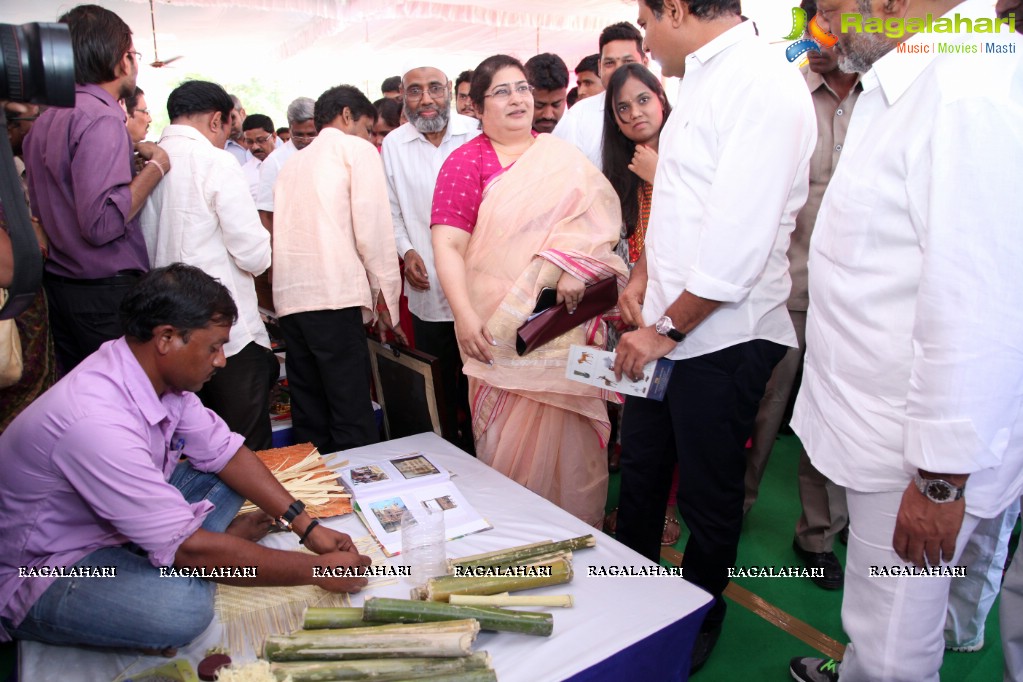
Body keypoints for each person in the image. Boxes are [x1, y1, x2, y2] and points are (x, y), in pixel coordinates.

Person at [786, 0, 1023, 679]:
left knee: (892, 643)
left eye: (831, 6)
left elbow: (977, 306)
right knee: (885, 628)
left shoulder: (966, 91)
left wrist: (940, 483)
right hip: (896, 440)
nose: (824, 24)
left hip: (918, 460)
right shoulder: (915, 81)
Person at [0, 263, 372, 652]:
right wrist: (316, 570)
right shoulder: (96, 421)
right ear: (166, 338)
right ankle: (199, 556)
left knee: (228, 474)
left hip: (114, 528)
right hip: (47, 565)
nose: (221, 360)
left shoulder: (155, 378)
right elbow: (190, 549)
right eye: (213, 346)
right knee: (182, 610)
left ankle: (195, 553)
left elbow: (227, 454)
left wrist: (307, 529)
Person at [612, 0, 815, 672]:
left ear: (674, 8)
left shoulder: (761, 80)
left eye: (644, 18)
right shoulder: (696, 77)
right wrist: (642, 277)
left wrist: (664, 330)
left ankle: (698, 611)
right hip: (664, 330)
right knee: (640, 475)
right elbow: (681, 208)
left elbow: (739, 241)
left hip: (720, 339)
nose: (643, 35)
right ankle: (636, 599)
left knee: (706, 493)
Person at [431, 55, 628, 527]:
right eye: (501, 91)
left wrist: (575, 266)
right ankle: (517, 541)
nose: (517, 98)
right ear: (477, 108)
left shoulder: (562, 159)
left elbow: (600, 225)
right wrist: (465, 316)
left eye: (521, 88)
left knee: (574, 449)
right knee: (507, 448)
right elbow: (448, 245)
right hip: (496, 333)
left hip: (562, 332)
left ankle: (579, 536)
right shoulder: (465, 162)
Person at [743, 0, 859, 592]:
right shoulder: (787, 93)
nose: (825, 33)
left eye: (836, 20)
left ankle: (818, 536)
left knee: (830, 417)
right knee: (762, 407)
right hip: (783, 286)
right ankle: (732, 507)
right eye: (817, 21)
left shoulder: (885, 99)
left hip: (855, 298)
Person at [24, 4, 170, 374]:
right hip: (102, 293)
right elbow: (101, 224)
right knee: (120, 400)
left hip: (61, 287)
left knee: (85, 400)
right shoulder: (101, 116)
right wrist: (155, 168)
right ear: (122, 60)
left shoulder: (45, 119)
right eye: (133, 54)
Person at [140, 80, 275, 451]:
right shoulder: (215, 161)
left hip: (168, 333)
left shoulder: (148, 162)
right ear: (217, 121)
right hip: (224, 334)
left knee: (192, 448)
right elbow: (252, 252)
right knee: (246, 445)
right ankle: (258, 511)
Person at [272, 85, 403, 454]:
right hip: (333, 294)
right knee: (350, 408)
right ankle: (360, 491)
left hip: (292, 300)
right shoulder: (354, 150)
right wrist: (386, 299)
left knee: (309, 408)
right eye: (366, 127)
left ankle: (320, 495)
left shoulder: (292, 162)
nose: (368, 137)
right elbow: (373, 230)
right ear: (347, 116)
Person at [599, 62, 679, 545]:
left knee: (678, 424)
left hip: (686, 315)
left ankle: (668, 510)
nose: (634, 113)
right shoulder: (619, 165)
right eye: (622, 107)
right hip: (633, 310)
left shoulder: (685, 154)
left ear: (662, 98)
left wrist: (662, 174)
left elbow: (701, 223)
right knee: (641, 420)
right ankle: (638, 516)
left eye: (643, 100)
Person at [382, 63, 481, 452]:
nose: (426, 99)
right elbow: (390, 212)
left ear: (452, 92)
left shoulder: (475, 134)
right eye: (415, 91)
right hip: (427, 290)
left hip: (478, 287)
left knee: (479, 381)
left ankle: (485, 456)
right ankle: (448, 456)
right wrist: (406, 252)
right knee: (438, 382)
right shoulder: (394, 145)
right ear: (402, 97)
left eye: (435, 89)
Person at [553, 23, 647, 170]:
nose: (619, 71)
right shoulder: (577, 118)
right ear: (600, 67)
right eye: (610, 63)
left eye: (628, 62)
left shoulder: (664, 112)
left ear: (645, 64)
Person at [256, 97, 316, 236]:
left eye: (311, 134)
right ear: (290, 128)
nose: (306, 140)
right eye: (299, 135)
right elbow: (266, 213)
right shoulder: (274, 162)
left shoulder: (329, 154)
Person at [524, 53, 569, 134]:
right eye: (539, 105)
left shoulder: (577, 132)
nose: (548, 115)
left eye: (556, 105)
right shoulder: (502, 137)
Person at [240, 114, 277, 200]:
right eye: (249, 142)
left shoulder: (288, 162)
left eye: (261, 140)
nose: (255, 147)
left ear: (274, 137)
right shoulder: (243, 173)